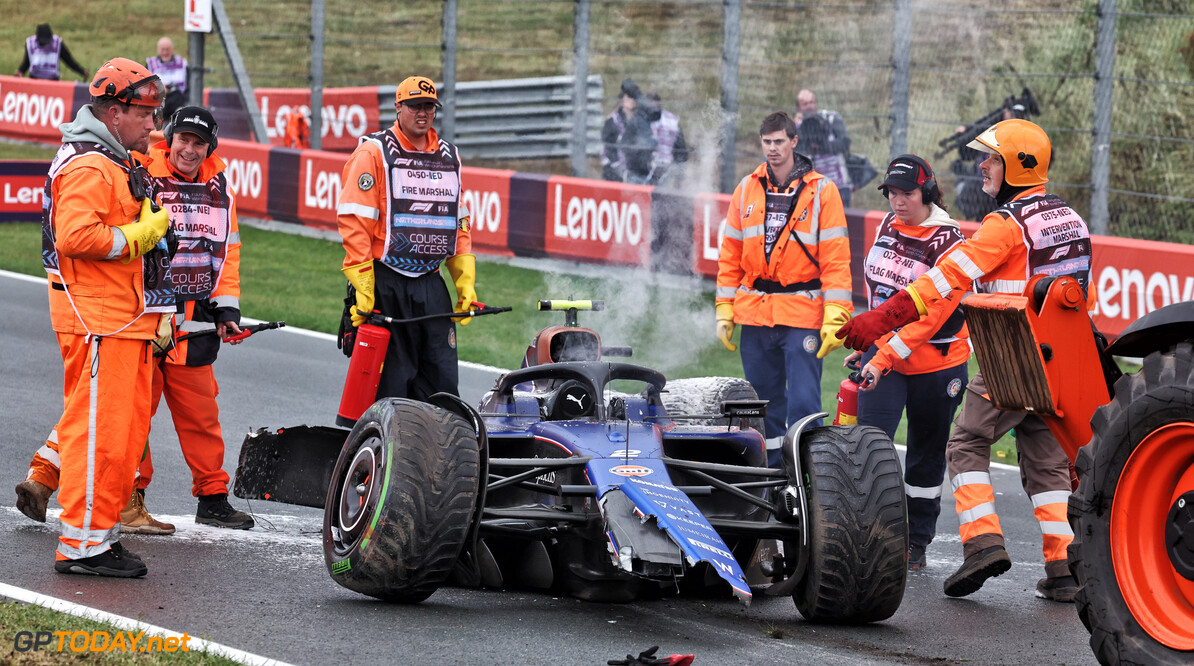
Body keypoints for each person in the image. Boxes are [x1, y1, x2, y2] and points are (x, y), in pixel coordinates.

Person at [837, 119, 1092, 602]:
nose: (983, 166)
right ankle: (1064, 568)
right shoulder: (1071, 218)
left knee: (966, 444)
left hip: (1014, 354)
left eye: (992, 158)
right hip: (1065, 357)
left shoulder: (1006, 224)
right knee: (1047, 465)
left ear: (1017, 165)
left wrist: (885, 316)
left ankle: (981, 545)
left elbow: (946, 279)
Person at [14, 106, 254, 535]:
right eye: (183, 139)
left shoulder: (220, 189)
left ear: (210, 147)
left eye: (199, 143)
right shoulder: (137, 167)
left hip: (191, 318)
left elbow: (226, 254)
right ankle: (120, 498)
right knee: (120, 413)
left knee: (200, 413)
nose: (190, 149)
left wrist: (227, 308)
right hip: (138, 313)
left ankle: (212, 497)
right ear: (169, 139)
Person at [32, 57, 171, 578]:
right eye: (146, 116)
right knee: (99, 436)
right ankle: (83, 545)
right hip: (99, 323)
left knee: (122, 437)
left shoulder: (111, 158)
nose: (154, 128)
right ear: (115, 113)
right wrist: (140, 236)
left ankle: (98, 536)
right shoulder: (92, 164)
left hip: (119, 321)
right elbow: (75, 236)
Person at [848, 154, 971, 571]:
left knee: (925, 456)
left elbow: (929, 317)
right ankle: (864, 533)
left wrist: (880, 352)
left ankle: (916, 542)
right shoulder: (888, 223)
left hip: (937, 364)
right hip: (883, 359)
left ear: (929, 192)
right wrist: (868, 341)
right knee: (868, 448)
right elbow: (879, 288)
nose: (898, 202)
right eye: (892, 193)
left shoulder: (951, 243)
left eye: (908, 193)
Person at [715, 111, 852, 467]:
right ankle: (771, 477)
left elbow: (836, 258)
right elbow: (730, 256)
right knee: (761, 404)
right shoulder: (746, 188)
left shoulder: (822, 190)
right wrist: (725, 309)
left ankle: (808, 475)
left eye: (779, 141)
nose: (773, 148)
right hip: (756, 313)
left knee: (804, 402)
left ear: (794, 141)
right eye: (767, 142)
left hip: (802, 311)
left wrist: (837, 312)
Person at [336, 75, 476, 401]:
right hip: (386, 280)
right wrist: (363, 285)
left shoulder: (449, 157)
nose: (422, 113)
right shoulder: (373, 153)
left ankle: (437, 447)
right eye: (414, 106)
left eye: (428, 106)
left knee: (442, 384)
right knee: (390, 385)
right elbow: (354, 222)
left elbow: (458, 223)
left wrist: (465, 282)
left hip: (430, 282)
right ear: (399, 107)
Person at [794, 89, 852, 206]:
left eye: (812, 102)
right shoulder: (796, 126)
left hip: (838, 185)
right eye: (805, 104)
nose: (810, 106)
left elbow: (845, 143)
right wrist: (796, 127)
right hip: (812, 187)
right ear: (798, 108)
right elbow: (792, 151)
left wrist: (822, 145)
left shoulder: (831, 119)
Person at [601, 78, 655, 184]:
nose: (632, 100)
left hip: (634, 171)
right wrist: (617, 168)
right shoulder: (612, 121)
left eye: (633, 98)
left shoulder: (638, 119)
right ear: (622, 100)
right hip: (615, 172)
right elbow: (606, 148)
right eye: (628, 98)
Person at [641, 92, 688, 187]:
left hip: (665, 168)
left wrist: (679, 178)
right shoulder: (639, 119)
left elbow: (681, 149)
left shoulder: (672, 121)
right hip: (643, 169)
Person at [15, 23, 88, 81]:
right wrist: (21, 71)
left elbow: (68, 60)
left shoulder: (58, 44)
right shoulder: (30, 44)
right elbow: (27, 62)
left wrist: (82, 71)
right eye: (43, 43)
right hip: (34, 81)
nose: (46, 45)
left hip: (52, 83)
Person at [145, 37, 188, 119]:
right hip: (158, 105)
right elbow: (145, 87)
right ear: (158, 50)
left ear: (172, 49)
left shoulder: (182, 63)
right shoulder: (150, 64)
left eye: (167, 49)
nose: (165, 52)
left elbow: (188, 88)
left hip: (178, 105)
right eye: (162, 50)